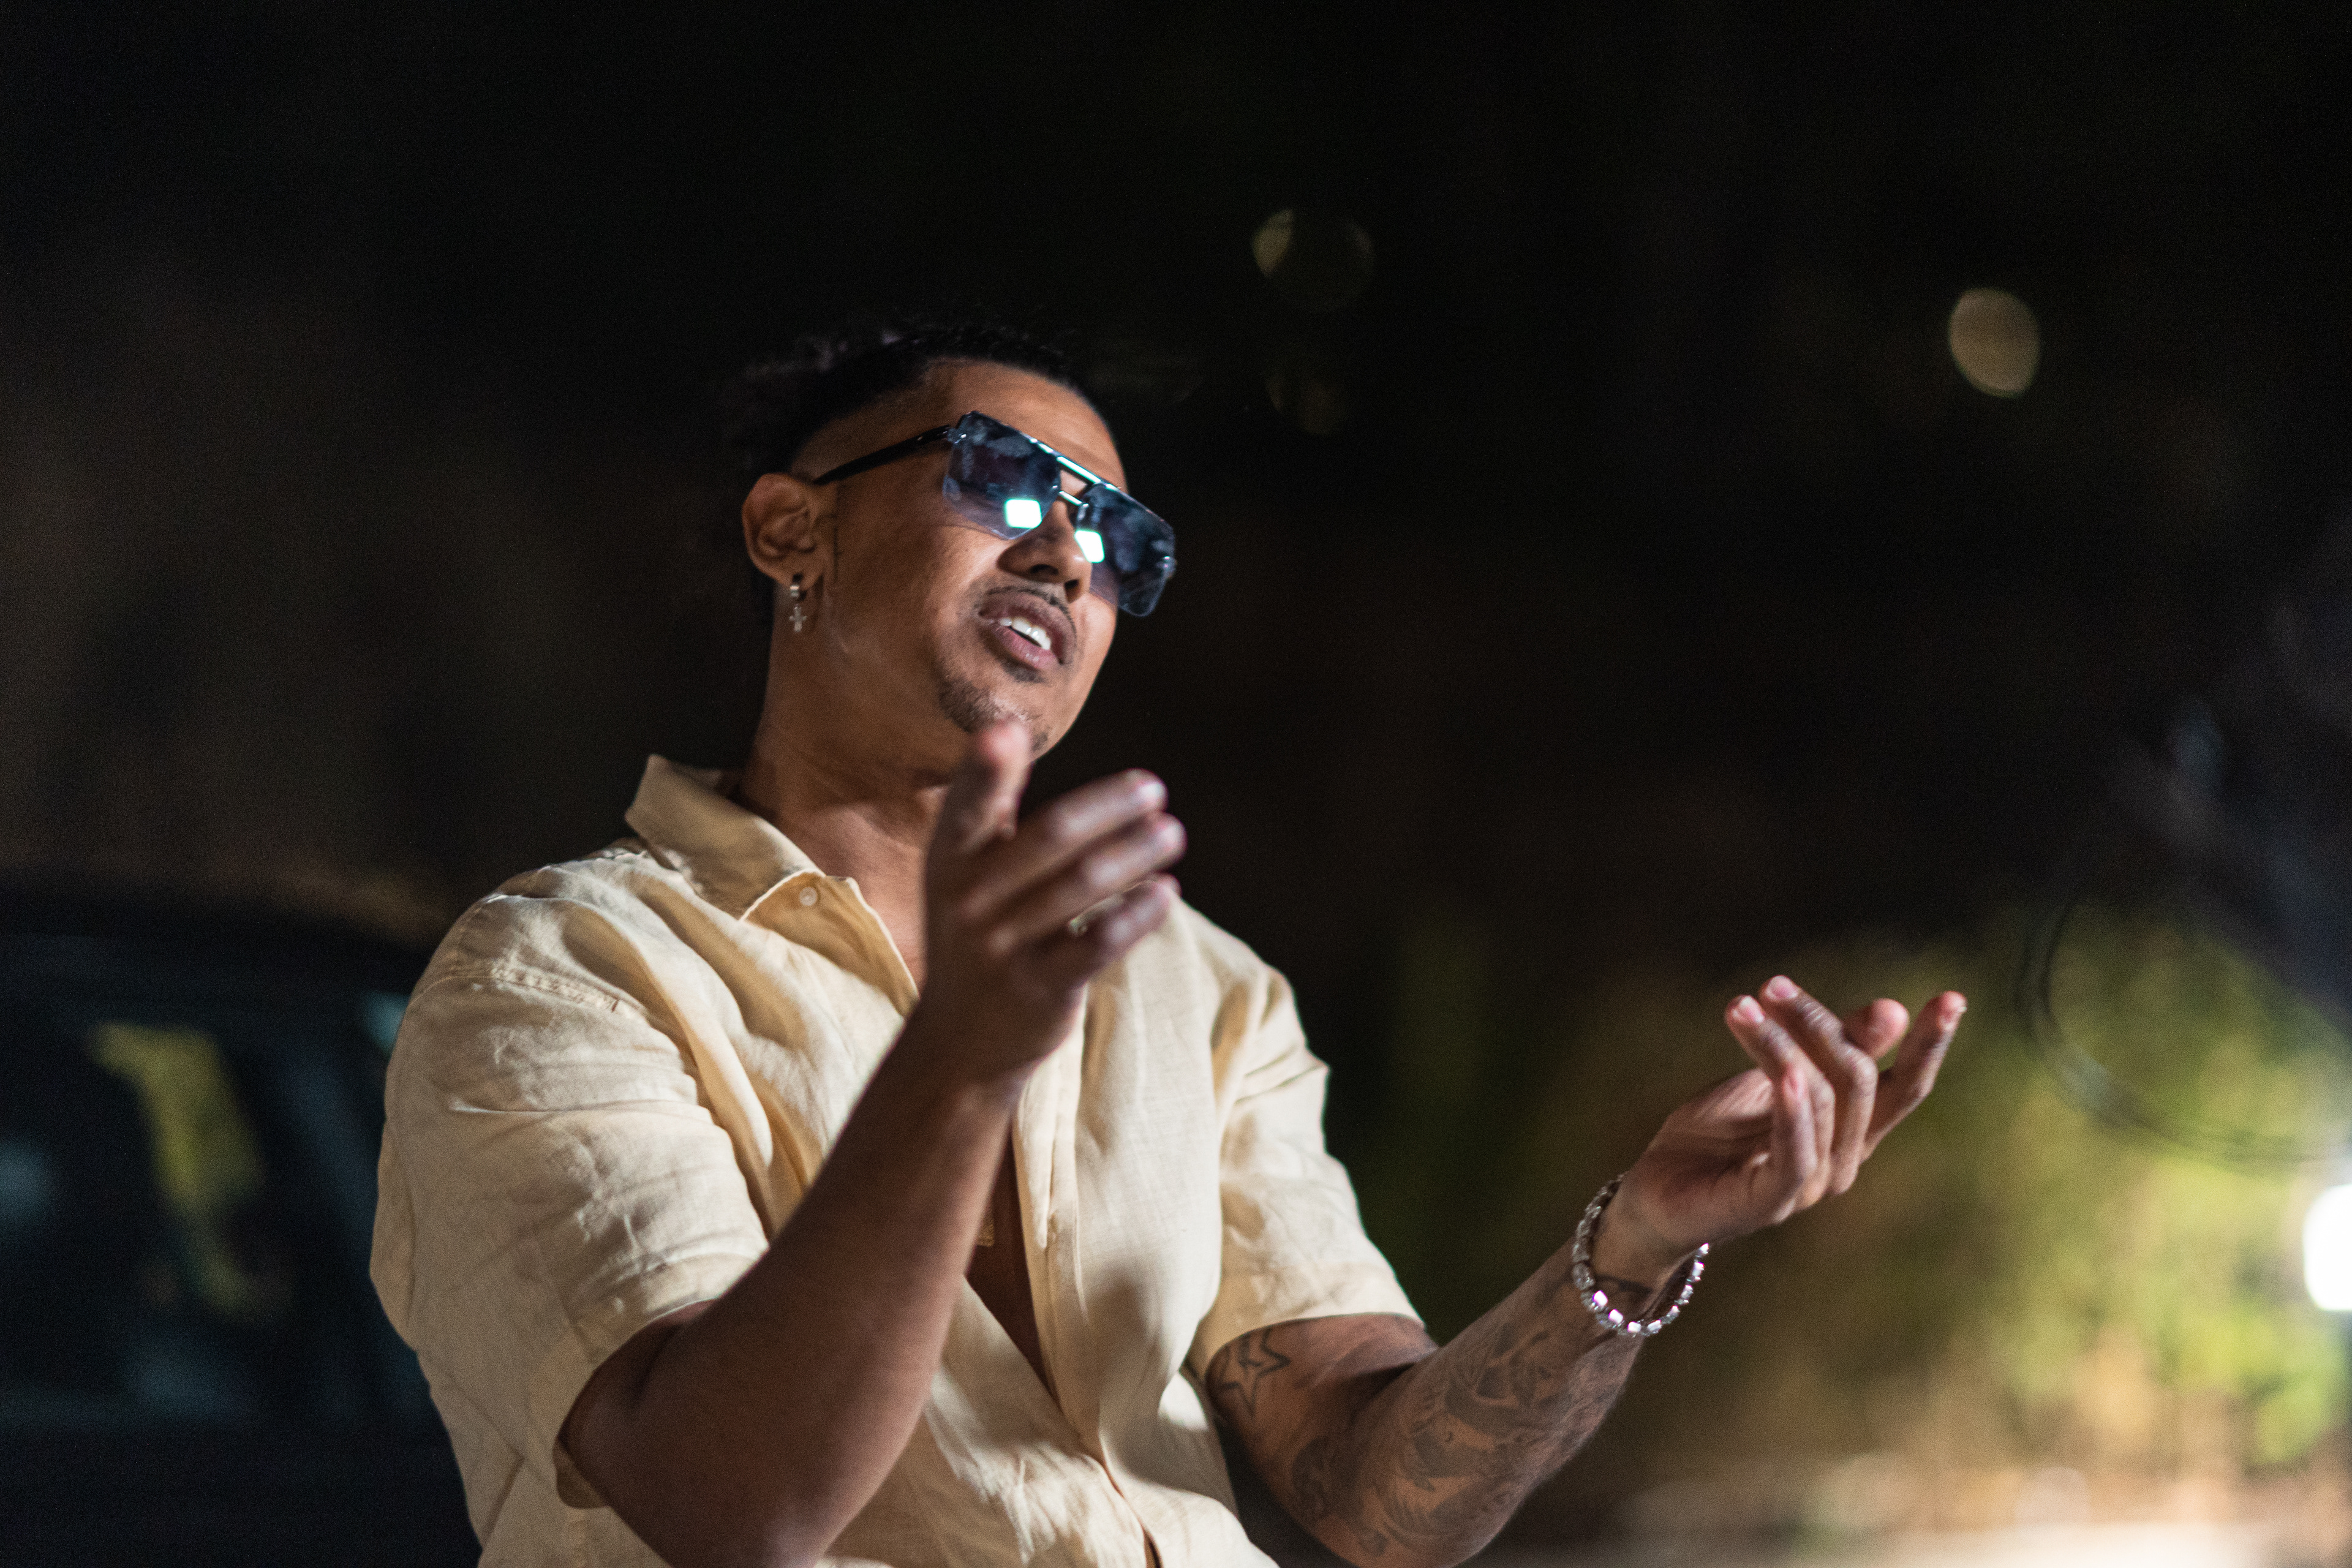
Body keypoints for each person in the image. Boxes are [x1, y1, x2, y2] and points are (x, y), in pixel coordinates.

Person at [371, 318, 1964, 1568]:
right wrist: (957, 1066)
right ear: (793, 530)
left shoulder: (1191, 986)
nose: (1069, 556)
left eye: (1120, 544)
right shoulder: (560, 978)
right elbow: (733, 1509)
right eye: (1007, 483)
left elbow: (1376, 1495)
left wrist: (1630, 1250)